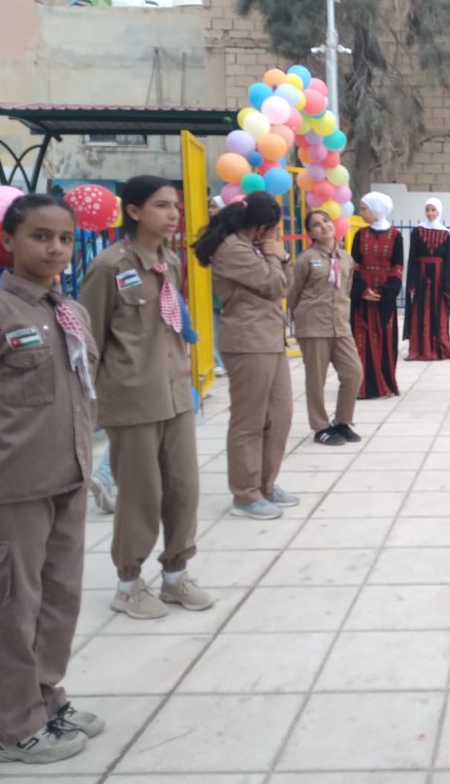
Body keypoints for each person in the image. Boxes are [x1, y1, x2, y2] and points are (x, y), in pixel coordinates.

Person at [0, 194, 104, 764]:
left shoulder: (68, 310)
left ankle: (48, 698)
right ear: (8, 241)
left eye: (64, 239)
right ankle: (15, 726)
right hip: (11, 491)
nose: (55, 248)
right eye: (39, 237)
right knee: (14, 608)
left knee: (60, 600)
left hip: (67, 478)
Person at [79, 175, 214, 620]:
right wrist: (91, 406)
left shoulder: (168, 262)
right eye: (161, 206)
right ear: (134, 212)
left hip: (174, 394)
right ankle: (128, 582)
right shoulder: (109, 267)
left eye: (175, 205)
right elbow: (87, 340)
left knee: (183, 488)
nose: (173, 214)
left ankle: (175, 575)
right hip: (133, 400)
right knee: (141, 494)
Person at [193, 192, 298, 521]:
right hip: (248, 340)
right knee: (249, 420)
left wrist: (278, 256)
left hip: (270, 338)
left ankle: (266, 483)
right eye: (270, 229)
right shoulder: (233, 249)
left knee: (280, 415)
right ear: (261, 226)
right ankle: (245, 493)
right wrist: (274, 256)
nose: (272, 235)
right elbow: (273, 285)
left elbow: (286, 284)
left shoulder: (254, 247)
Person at [287, 209, 363, 446]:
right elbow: (293, 293)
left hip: (340, 325)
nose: (324, 227)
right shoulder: (306, 259)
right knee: (316, 379)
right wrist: (297, 320)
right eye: (316, 225)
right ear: (310, 233)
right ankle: (320, 426)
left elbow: (347, 289)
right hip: (313, 326)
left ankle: (343, 421)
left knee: (354, 372)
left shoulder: (346, 258)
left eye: (326, 221)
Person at [403, 197, 450, 360]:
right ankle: (420, 348)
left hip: (439, 278)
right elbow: (412, 258)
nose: (430, 213)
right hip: (421, 276)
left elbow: (448, 261)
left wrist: (448, 285)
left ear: (439, 211)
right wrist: (411, 282)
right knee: (420, 310)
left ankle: (439, 347)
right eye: (428, 209)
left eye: (433, 210)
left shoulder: (445, 233)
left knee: (439, 311)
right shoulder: (417, 231)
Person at [351, 192, 403, 398]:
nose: (361, 212)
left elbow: (398, 266)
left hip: (384, 296)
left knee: (384, 337)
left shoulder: (395, 236)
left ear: (376, 210)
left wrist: (383, 292)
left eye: (364, 209)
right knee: (361, 338)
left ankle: (385, 382)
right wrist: (362, 290)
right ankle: (363, 385)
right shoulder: (360, 235)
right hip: (362, 295)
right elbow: (353, 264)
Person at [208, 195, 226, 376]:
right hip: (210, 284)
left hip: (225, 284)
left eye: (213, 206)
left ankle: (225, 359)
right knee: (212, 325)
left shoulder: (231, 233)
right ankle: (217, 361)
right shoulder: (208, 231)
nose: (210, 210)